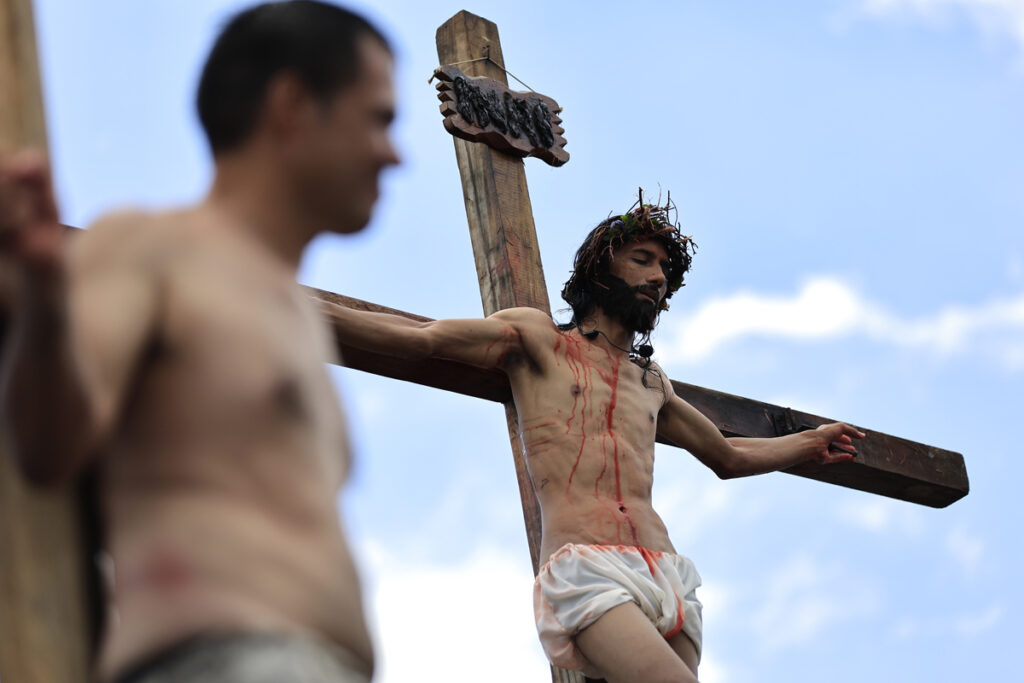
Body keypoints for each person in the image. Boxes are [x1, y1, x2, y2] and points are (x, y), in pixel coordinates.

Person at [0, 2, 399, 682]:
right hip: (217, 658)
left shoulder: (294, 314)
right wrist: (41, 290)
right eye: (379, 119)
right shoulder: (151, 247)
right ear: (294, 104)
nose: (392, 153)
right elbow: (49, 442)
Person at [321, 198, 864, 683]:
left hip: (666, 571)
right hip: (587, 565)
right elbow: (424, 339)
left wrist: (811, 444)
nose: (658, 277)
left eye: (665, 269)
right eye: (643, 260)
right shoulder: (539, 341)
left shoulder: (651, 383)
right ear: (602, 267)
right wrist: (292, 306)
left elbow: (728, 455)